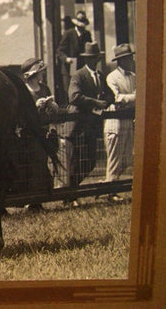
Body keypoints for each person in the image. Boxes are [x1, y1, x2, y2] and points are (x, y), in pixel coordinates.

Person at [66, 42, 114, 207]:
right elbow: (74, 96)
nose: (94, 60)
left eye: (96, 58)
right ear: (86, 59)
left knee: (91, 161)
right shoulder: (78, 75)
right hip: (78, 126)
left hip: (92, 126)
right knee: (75, 161)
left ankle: (70, 191)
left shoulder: (100, 76)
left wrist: (105, 102)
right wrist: (95, 102)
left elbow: (110, 95)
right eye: (91, 58)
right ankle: (71, 196)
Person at [20, 58, 60, 211]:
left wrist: (51, 104)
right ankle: (31, 199)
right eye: (40, 72)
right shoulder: (24, 91)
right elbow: (22, 113)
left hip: (43, 130)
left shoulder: (44, 88)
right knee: (32, 164)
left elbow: (54, 111)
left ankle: (38, 199)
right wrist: (35, 106)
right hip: (29, 132)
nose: (42, 75)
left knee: (42, 163)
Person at [104, 43, 136, 202]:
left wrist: (129, 98)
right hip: (114, 121)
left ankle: (106, 186)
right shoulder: (112, 77)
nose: (132, 60)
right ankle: (110, 191)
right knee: (114, 158)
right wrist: (133, 97)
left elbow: (131, 97)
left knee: (127, 159)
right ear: (122, 60)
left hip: (128, 120)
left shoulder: (133, 77)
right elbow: (117, 98)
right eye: (129, 58)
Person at [56, 11, 93, 105]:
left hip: (82, 67)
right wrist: (66, 59)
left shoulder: (87, 34)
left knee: (82, 90)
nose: (81, 27)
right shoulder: (68, 33)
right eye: (80, 24)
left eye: (83, 25)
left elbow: (89, 49)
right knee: (69, 92)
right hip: (69, 68)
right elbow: (59, 51)